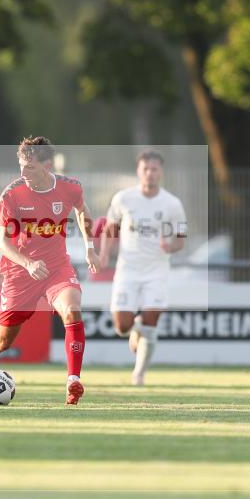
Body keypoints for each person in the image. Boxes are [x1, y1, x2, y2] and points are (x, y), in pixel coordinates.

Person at [0, 136, 100, 405]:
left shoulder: (70, 188)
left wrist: (89, 247)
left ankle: (73, 381)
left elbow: (82, 210)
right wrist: (28, 263)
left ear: (48, 165)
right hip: (19, 274)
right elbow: (2, 242)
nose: (23, 172)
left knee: (72, 310)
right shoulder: (12, 194)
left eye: (30, 167)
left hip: (57, 267)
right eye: (21, 166)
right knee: (3, 341)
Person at [99, 150, 187, 386]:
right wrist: (105, 254)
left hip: (156, 271)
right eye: (145, 169)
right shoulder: (123, 199)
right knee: (122, 326)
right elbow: (110, 229)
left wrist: (170, 246)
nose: (150, 173)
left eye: (154, 169)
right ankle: (135, 330)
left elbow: (180, 238)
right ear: (139, 171)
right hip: (128, 270)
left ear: (161, 172)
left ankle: (139, 373)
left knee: (151, 322)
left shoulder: (172, 204)